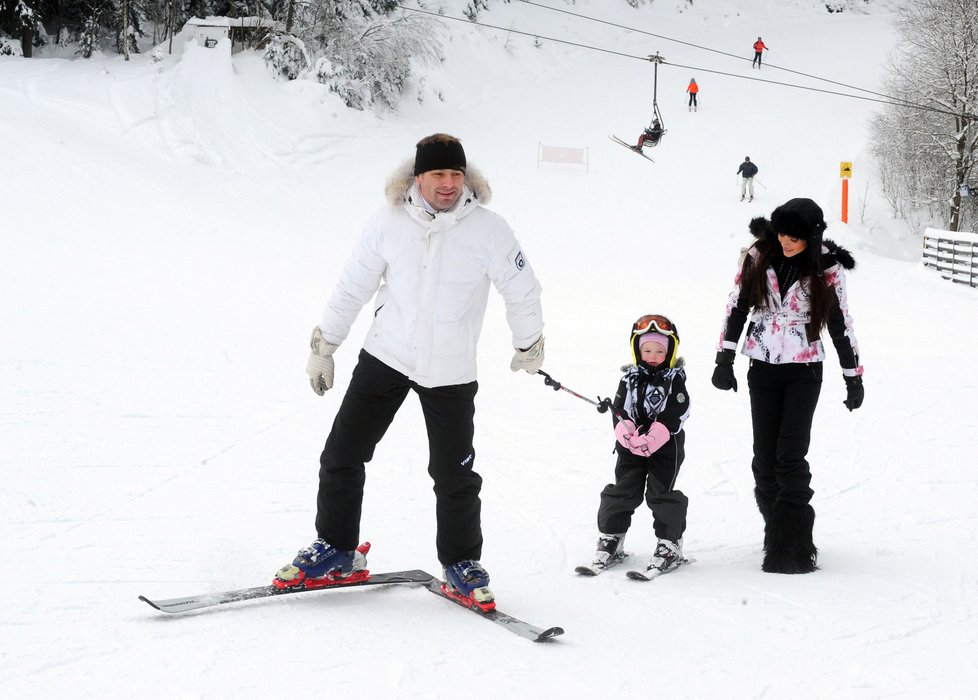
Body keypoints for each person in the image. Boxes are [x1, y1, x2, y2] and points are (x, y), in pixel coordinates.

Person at [275, 133, 545, 608]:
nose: (448, 184)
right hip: (387, 357)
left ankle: (462, 562)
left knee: (454, 474)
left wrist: (529, 342)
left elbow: (521, 288)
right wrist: (326, 345)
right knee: (342, 453)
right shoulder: (387, 222)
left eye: (456, 174)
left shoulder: (490, 229)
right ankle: (337, 548)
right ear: (417, 177)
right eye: (438, 174)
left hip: (450, 369)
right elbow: (353, 284)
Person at [711, 198, 864, 574]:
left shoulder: (827, 267)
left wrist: (853, 375)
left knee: (790, 457)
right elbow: (737, 306)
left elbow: (840, 323)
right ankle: (777, 529)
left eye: (795, 236)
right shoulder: (758, 255)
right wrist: (724, 359)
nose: (787, 242)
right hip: (761, 364)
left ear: (811, 236)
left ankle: (794, 546)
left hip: (804, 368)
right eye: (782, 233)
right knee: (764, 459)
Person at [585, 314, 691, 576]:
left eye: (659, 350)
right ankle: (612, 537)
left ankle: (670, 544)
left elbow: (680, 408)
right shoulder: (628, 378)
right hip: (631, 446)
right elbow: (620, 408)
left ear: (670, 350)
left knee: (660, 492)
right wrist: (625, 430)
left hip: (666, 446)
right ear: (637, 350)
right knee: (624, 489)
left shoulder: (674, 378)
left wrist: (656, 435)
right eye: (646, 349)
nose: (653, 355)